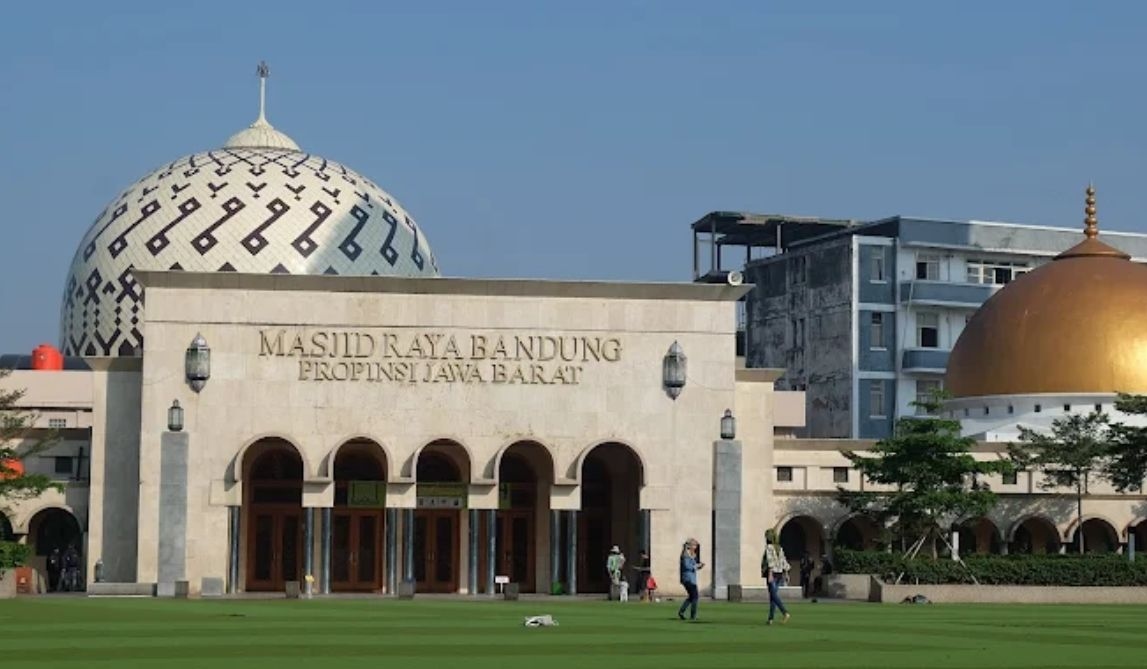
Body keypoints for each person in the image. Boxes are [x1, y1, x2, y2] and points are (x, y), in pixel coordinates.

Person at [761, 530, 790, 625]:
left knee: (773, 595)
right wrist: (786, 573)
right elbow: (783, 561)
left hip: (772, 574)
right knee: (773, 596)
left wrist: (770, 574)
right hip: (779, 574)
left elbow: (770, 561)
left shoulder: (769, 547)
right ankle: (770, 619)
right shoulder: (779, 548)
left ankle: (785, 612)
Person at [677, 538, 704, 621]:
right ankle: (693, 615)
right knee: (695, 597)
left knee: (691, 597)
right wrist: (696, 566)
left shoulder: (692, 555)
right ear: (690, 546)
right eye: (694, 545)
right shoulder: (686, 555)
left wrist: (699, 566)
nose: (695, 547)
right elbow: (687, 566)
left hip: (691, 578)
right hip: (688, 579)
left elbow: (693, 566)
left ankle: (681, 611)